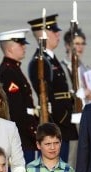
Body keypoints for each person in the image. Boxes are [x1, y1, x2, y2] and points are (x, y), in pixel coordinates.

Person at [28, 14, 78, 163]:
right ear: (44, 35)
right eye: (54, 31)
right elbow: (46, 95)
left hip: (64, 120)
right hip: (57, 121)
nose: (58, 34)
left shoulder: (51, 59)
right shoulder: (40, 61)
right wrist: (60, 117)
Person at [0, 28, 39, 166]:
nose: (24, 47)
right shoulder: (9, 72)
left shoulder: (14, 68)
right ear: (10, 48)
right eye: (20, 44)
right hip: (21, 136)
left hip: (25, 135)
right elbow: (15, 109)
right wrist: (31, 131)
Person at [61, 27, 91, 168]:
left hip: (87, 116)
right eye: (76, 44)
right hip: (72, 118)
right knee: (72, 157)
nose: (80, 47)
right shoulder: (63, 67)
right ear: (67, 45)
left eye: (82, 43)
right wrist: (82, 93)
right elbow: (64, 92)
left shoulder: (85, 68)